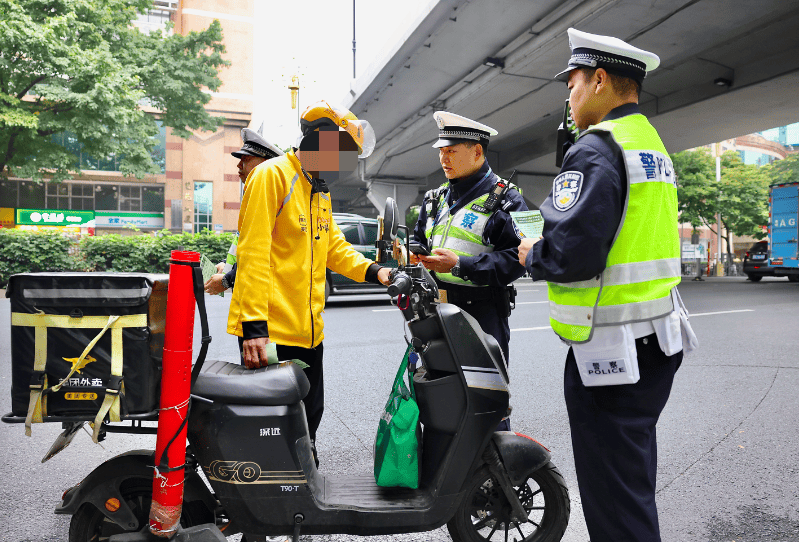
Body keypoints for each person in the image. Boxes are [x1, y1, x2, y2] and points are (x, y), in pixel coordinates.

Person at [518, 28, 695, 542]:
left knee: (613, 497)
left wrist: (535, 253)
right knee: (631, 480)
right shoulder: (650, 143)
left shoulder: (597, 149)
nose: (567, 95)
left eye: (571, 83)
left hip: (612, 356)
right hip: (657, 339)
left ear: (598, 81)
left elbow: (573, 253)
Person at [227, 100, 390, 459]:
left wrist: (376, 271)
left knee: (308, 413)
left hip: (308, 331)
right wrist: (254, 328)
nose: (344, 164)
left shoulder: (317, 191)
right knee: (272, 423)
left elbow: (333, 247)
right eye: (342, 154)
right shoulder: (272, 176)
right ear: (320, 142)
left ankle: (301, 479)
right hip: (270, 332)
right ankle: (266, 500)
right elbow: (252, 253)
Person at [411, 111, 528, 429]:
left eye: (451, 151)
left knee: (488, 400)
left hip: (482, 314)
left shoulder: (507, 200)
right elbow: (420, 239)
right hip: (436, 312)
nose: (443, 158)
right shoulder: (434, 199)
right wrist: (413, 256)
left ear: (477, 151)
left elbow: (519, 259)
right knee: (439, 395)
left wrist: (461, 265)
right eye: (441, 151)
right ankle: (445, 471)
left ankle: (496, 474)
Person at [204, 128, 283, 296]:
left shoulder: (273, 201)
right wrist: (227, 266)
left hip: (264, 302)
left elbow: (261, 255)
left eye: (246, 159)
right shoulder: (254, 195)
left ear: (266, 164)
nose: (239, 165)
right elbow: (245, 247)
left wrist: (227, 280)